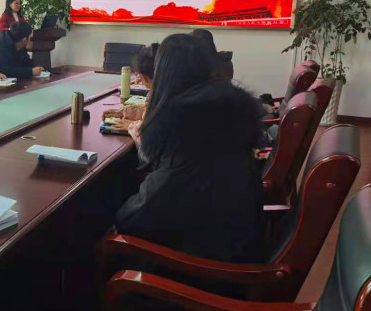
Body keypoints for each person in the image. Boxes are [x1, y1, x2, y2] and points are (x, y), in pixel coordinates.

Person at [115, 33, 264, 264]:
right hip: (237, 235)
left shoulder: (180, 123)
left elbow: (135, 218)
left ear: (164, 72)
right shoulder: (229, 111)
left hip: (203, 261)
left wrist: (143, 144)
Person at [104, 43, 159, 125]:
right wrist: (129, 113)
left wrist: (131, 126)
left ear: (144, 78)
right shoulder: (161, 94)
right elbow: (150, 114)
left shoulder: (161, 99)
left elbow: (154, 126)